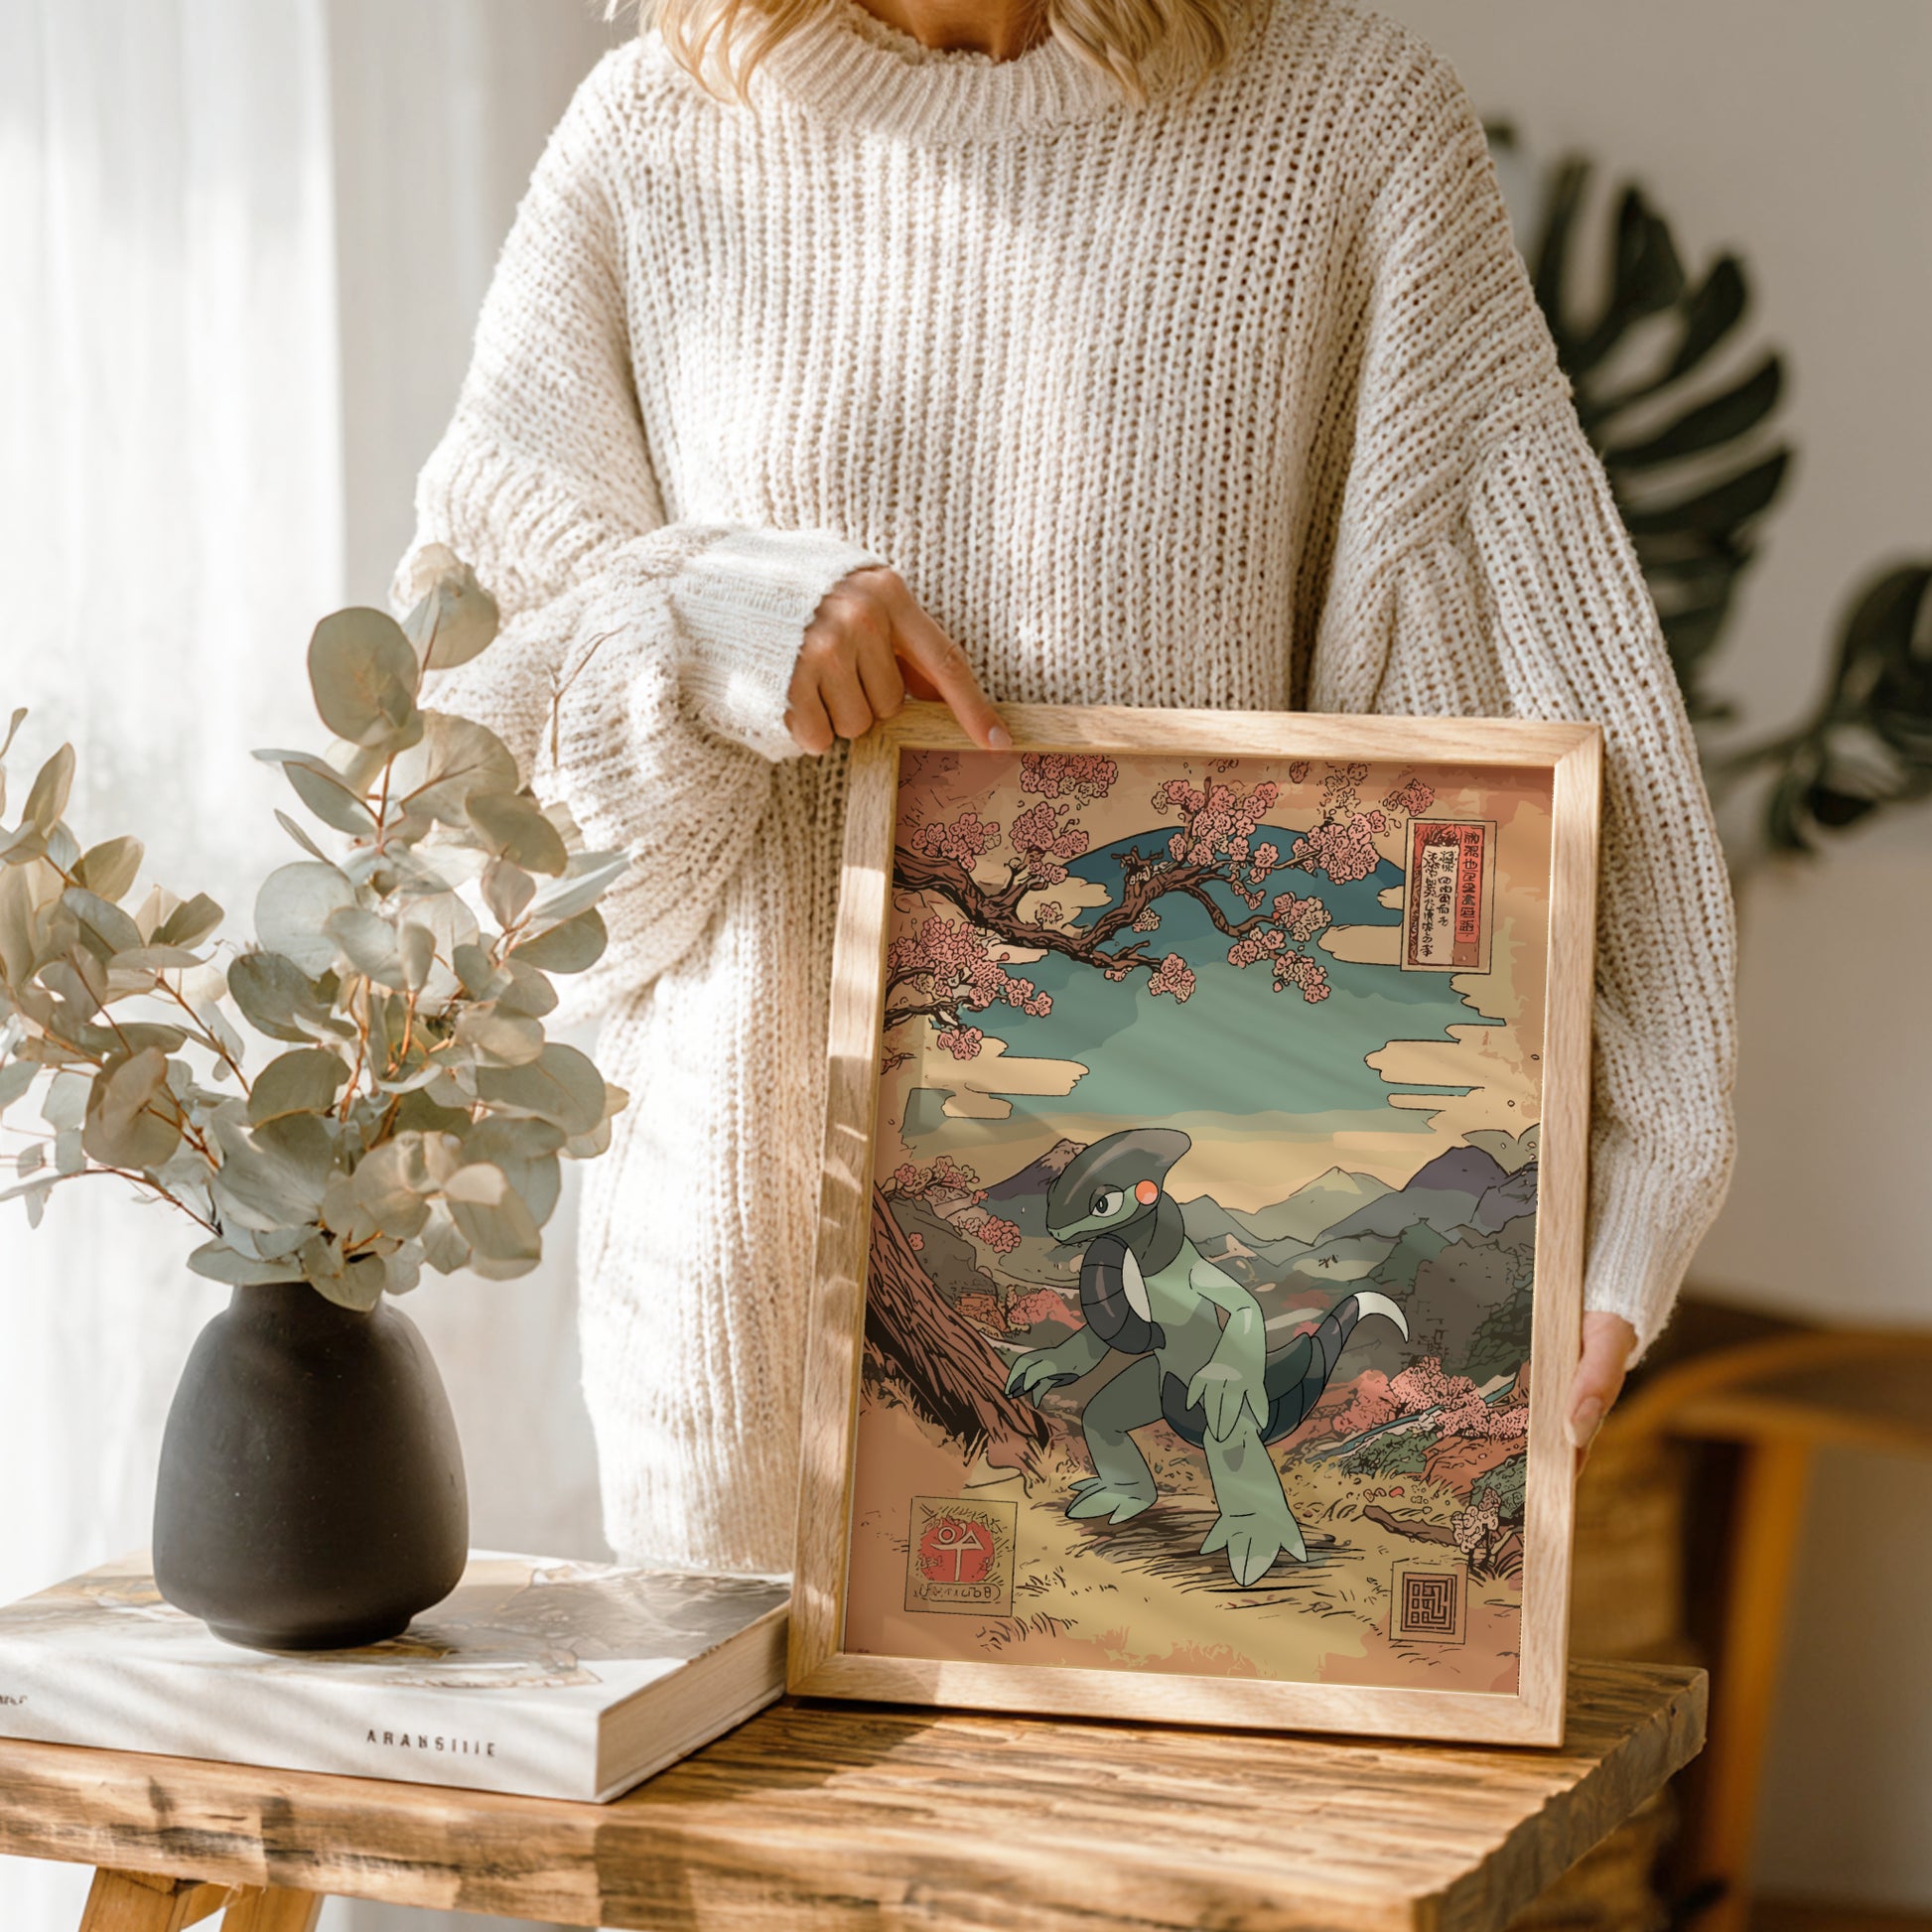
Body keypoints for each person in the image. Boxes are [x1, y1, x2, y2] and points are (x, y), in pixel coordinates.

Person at [392, 0, 1736, 1577]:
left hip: (1221, 1321)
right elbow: (468, 819)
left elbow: (1524, 690)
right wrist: (704, 620)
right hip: (735, 1343)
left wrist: (1629, 1171)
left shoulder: (1343, 128)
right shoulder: (649, 141)